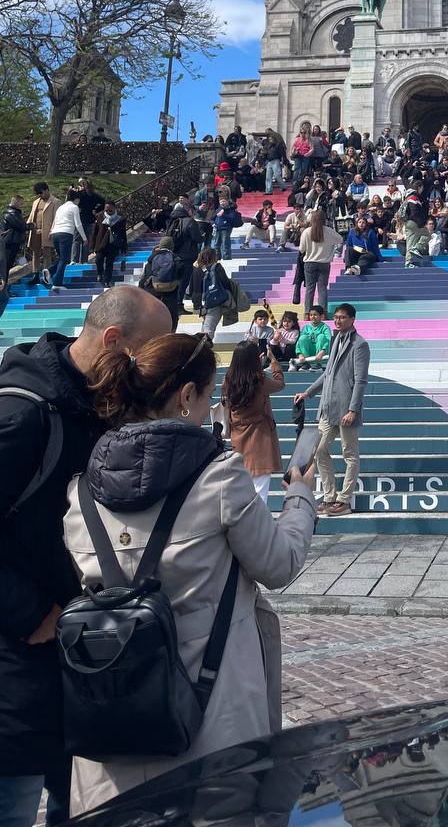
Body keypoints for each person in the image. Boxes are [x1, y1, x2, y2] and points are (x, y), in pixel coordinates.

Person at [63, 332, 315, 813]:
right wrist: (300, 498)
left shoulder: (82, 491)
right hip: (211, 716)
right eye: (208, 393)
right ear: (185, 396)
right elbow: (279, 564)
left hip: (111, 723)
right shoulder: (219, 478)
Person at [0, 286, 172, 826]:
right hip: (19, 662)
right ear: (114, 340)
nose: (149, 369)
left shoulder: (103, 405)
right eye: (148, 352)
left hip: (84, 663)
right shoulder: (21, 415)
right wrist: (31, 615)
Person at [293, 303, 370, 516]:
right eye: (336, 317)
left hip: (347, 409)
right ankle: (329, 497)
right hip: (328, 407)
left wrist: (353, 410)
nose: (338, 321)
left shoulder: (359, 344)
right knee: (318, 450)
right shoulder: (336, 339)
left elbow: (360, 381)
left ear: (352, 319)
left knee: (350, 454)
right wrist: (308, 392)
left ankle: (344, 500)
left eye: (343, 317)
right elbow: (327, 374)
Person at [221, 339, 286, 503]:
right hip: (260, 437)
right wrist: (273, 361)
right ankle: (258, 526)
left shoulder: (228, 381)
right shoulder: (259, 381)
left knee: (241, 488)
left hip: (237, 436)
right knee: (260, 490)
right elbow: (280, 384)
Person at [139, 235, 186, 329]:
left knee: (152, 320)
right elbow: (182, 275)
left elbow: (143, 279)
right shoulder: (175, 259)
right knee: (171, 318)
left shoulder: (151, 260)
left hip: (152, 295)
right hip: (170, 295)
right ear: (172, 247)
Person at [49, 188, 87, 292]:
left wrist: (51, 231)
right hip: (66, 234)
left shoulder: (60, 208)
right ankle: (57, 282)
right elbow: (78, 224)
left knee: (62, 257)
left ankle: (50, 271)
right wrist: (84, 238)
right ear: (76, 199)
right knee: (65, 259)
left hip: (55, 233)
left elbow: (55, 221)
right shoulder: (74, 207)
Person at [299, 208, 338, 313]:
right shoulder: (329, 231)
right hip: (324, 263)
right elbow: (340, 239)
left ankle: (307, 313)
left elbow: (301, 249)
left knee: (310, 289)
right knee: (322, 289)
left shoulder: (307, 232)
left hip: (310, 262)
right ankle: (323, 312)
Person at [189, 247, 231, 337]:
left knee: (206, 324)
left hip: (199, 301)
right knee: (209, 330)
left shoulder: (196, 268)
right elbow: (226, 283)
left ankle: (201, 346)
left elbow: (191, 286)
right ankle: (203, 348)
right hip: (213, 300)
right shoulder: (217, 267)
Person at [25, 183, 61, 287]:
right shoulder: (36, 202)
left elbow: (56, 218)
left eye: (41, 193)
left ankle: (46, 275)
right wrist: (28, 226)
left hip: (47, 231)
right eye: (38, 194)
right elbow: (32, 215)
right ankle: (35, 274)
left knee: (47, 253)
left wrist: (52, 231)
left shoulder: (55, 202)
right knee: (35, 253)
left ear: (46, 190)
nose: (40, 195)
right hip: (35, 231)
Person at [291, 306, 331, 372]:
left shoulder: (325, 327)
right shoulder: (306, 327)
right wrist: (300, 354)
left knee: (321, 336)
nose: (312, 317)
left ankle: (317, 364)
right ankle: (305, 364)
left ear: (321, 316)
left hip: (321, 354)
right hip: (308, 354)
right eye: (311, 315)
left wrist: (322, 351)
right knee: (303, 338)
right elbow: (299, 342)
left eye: (315, 315)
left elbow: (329, 341)